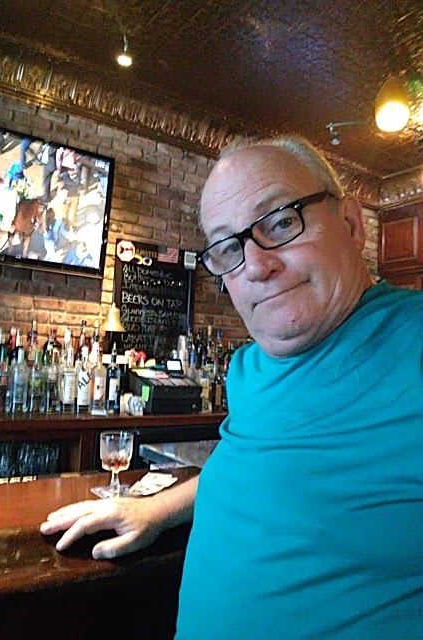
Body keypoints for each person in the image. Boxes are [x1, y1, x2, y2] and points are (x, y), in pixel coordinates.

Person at [40, 135, 423, 638]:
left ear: (351, 225)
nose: (257, 267)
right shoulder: (251, 367)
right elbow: (248, 463)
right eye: (228, 248)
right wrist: (157, 509)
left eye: (282, 222)